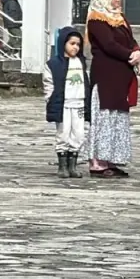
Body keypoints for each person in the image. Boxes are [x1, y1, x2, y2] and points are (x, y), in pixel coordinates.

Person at [86, 0, 140, 178]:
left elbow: (131, 40)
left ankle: (111, 159)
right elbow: (108, 44)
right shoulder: (96, 19)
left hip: (121, 77)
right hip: (106, 76)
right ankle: (98, 162)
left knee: (117, 117)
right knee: (105, 116)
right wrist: (129, 54)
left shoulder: (120, 18)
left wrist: (138, 52)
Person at [43, 27, 90, 180]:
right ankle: (62, 165)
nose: (75, 47)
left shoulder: (81, 62)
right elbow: (48, 84)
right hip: (63, 104)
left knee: (78, 134)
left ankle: (73, 165)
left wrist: (87, 101)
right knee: (63, 133)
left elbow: (85, 82)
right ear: (63, 43)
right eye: (72, 43)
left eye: (78, 44)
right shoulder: (53, 64)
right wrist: (50, 99)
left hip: (79, 104)